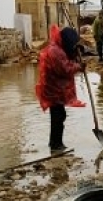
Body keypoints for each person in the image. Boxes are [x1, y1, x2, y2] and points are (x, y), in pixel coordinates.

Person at [36, 24, 86, 153]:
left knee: (59, 116)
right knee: (58, 117)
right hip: (53, 90)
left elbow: (68, 60)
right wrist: (78, 67)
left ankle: (56, 143)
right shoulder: (55, 52)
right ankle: (55, 145)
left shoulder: (59, 48)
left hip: (56, 89)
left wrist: (76, 54)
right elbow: (65, 69)